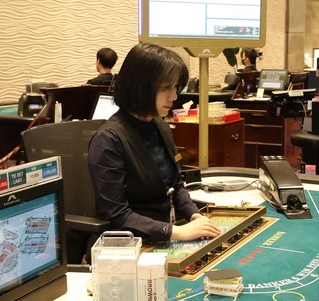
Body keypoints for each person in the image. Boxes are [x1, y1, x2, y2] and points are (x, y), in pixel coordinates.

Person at [88, 43, 222, 242]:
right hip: (131, 243)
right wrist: (176, 232)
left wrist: (194, 215)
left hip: (166, 232)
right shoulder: (108, 140)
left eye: (176, 87)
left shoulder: (160, 125)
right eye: (166, 87)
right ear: (140, 86)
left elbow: (176, 185)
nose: (174, 96)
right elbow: (116, 215)